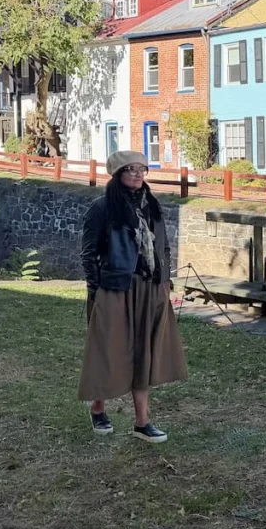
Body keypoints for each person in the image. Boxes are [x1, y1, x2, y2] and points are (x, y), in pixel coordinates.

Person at [79, 150, 187, 443]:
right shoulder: (102, 208)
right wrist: (96, 290)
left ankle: (142, 422)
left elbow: (163, 246)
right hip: (114, 288)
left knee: (145, 351)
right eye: (131, 169)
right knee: (109, 350)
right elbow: (89, 253)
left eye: (142, 169)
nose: (138, 174)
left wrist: (165, 281)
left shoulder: (152, 206)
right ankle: (98, 408)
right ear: (117, 175)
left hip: (150, 286)